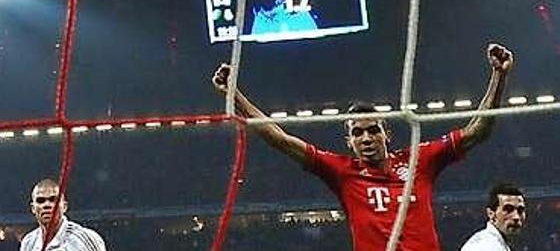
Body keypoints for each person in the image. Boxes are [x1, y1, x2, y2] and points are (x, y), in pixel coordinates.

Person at [211, 43, 514, 251]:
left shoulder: (420, 160)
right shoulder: (342, 172)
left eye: (372, 130)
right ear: (350, 141)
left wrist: (498, 77)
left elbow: (477, 131)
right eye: (357, 133)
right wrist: (235, 95)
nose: (366, 138)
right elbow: (280, 138)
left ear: (387, 134)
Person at [19, 178, 107, 251]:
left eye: (53, 200)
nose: (47, 205)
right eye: (41, 200)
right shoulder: (28, 242)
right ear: (33, 208)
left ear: (64, 206)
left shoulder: (84, 238)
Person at [460, 183, 526, 250]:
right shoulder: (485, 246)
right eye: (508, 210)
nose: (516, 217)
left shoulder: (494, 242)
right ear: (491, 214)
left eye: (520, 210)